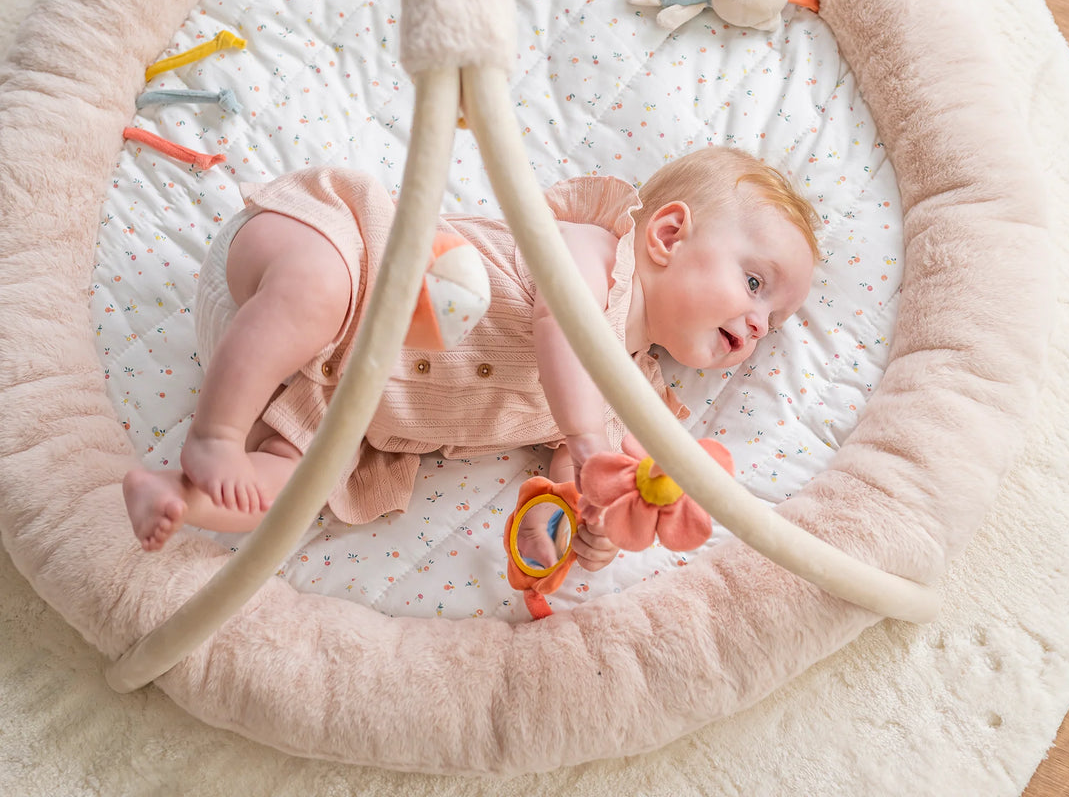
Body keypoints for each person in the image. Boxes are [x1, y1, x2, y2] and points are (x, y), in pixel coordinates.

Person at [123, 146, 819, 574]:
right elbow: (562, 331)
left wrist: (580, 518)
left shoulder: (632, 394)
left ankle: (176, 496)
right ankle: (213, 435)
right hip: (321, 266)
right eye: (756, 284)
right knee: (320, 289)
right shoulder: (596, 251)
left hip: (323, 392)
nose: (760, 322)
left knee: (298, 489)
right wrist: (589, 436)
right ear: (667, 234)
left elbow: (575, 473)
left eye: (777, 320)